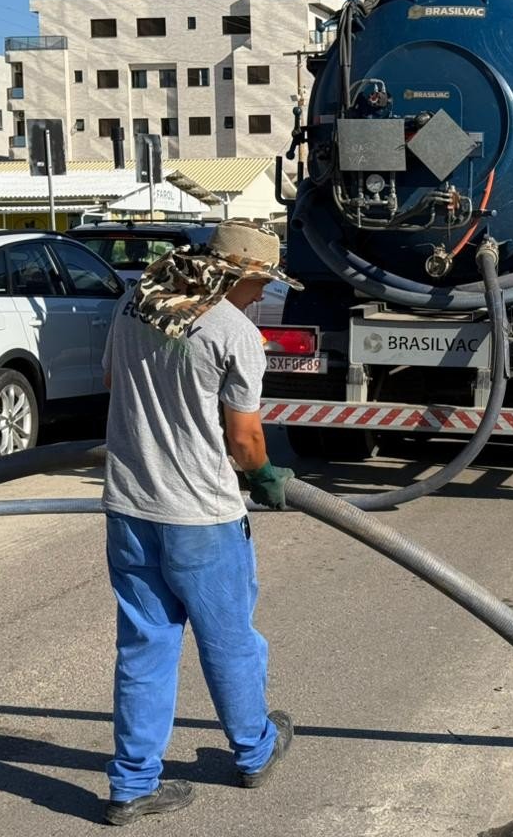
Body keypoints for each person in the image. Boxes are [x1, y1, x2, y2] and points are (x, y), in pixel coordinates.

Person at [100, 219, 304, 825]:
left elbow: (114, 382)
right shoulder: (233, 332)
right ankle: (255, 750)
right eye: (262, 283)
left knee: (145, 645)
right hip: (202, 517)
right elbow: (244, 441)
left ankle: (134, 785)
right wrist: (267, 478)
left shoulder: (136, 304)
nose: (262, 295)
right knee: (230, 642)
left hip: (131, 509)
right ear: (243, 274)